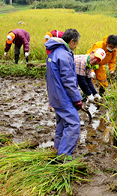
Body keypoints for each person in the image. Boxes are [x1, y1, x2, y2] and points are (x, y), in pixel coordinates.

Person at [45, 29, 83, 157]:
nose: (76, 46)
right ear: (72, 41)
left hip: (55, 95)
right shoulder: (65, 55)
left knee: (62, 123)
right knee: (73, 123)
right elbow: (69, 80)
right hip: (62, 97)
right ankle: (64, 155)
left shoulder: (54, 52)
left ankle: (57, 148)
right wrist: (77, 99)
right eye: (76, 43)